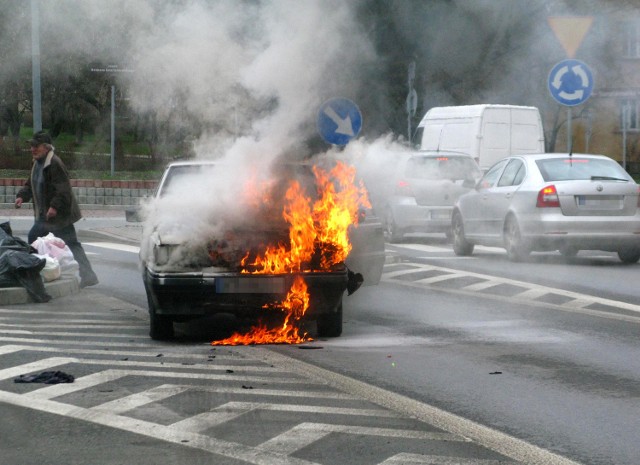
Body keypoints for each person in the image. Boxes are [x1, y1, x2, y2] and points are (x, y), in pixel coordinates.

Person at [14, 130, 99, 288]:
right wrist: (22, 196)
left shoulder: (54, 164)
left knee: (40, 240)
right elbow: (30, 184)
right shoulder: (37, 163)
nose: (32, 149)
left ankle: (38, 275)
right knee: (62, 244)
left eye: (36, 146)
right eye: (31, 146)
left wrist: (54, 207)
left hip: (58, 216)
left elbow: (63, 190)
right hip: (45, 215)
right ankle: (81, 274)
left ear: (46, 148)